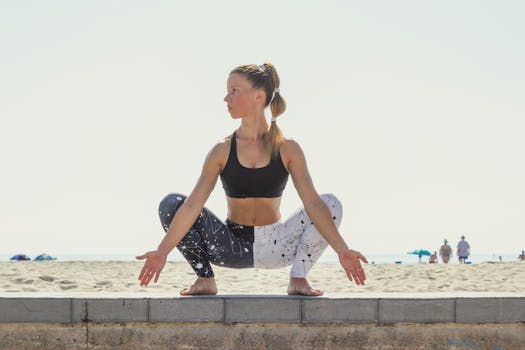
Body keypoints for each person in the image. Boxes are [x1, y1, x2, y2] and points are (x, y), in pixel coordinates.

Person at [136, 62, 368, 296]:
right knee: (171, 203)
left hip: (278, 244)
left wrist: (343, 250)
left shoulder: (288, 149)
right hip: (231, 245)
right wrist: (162, 252)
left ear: (259, 96)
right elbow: (193, 205)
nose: (226, 98)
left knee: (330, 203)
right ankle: (205, 278)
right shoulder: (222, 149)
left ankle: (298, 278)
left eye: (234, 91)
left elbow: (313, 204)